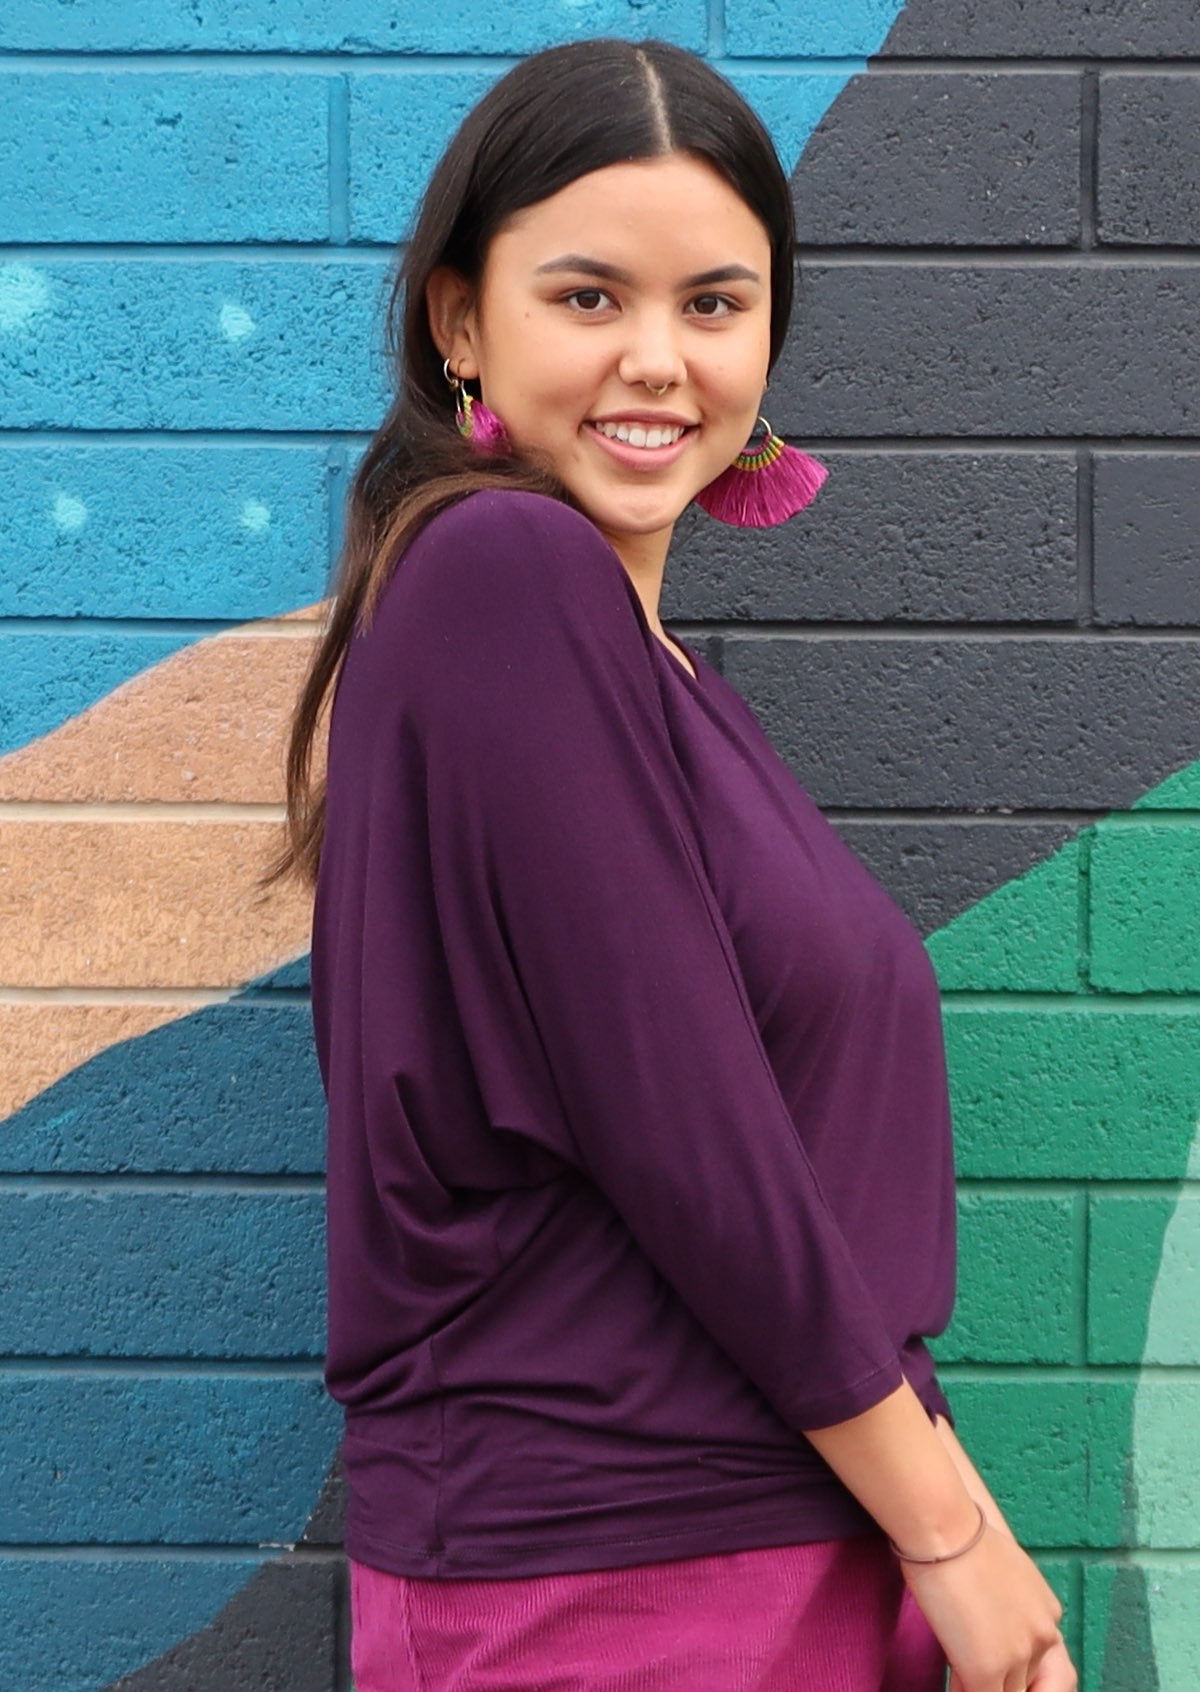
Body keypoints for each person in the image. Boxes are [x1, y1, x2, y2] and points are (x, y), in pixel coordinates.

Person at [263, 35, 1079, 1692]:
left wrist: (933, 1539)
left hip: (772, 1536)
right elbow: (686, 1127)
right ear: (461, 321)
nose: (656, 359)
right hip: (613, 1581)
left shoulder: (674, 688)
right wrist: (955, 1538)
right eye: (587, 299)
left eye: (713, 303)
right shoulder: (503, 575)